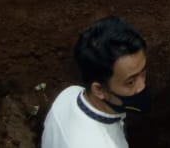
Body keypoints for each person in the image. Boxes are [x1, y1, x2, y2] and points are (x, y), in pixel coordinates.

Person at [42, 16, 148, 148]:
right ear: (99, 90)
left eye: (143, 73)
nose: (142, 86)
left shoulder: (68, 95)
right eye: (130, 82)